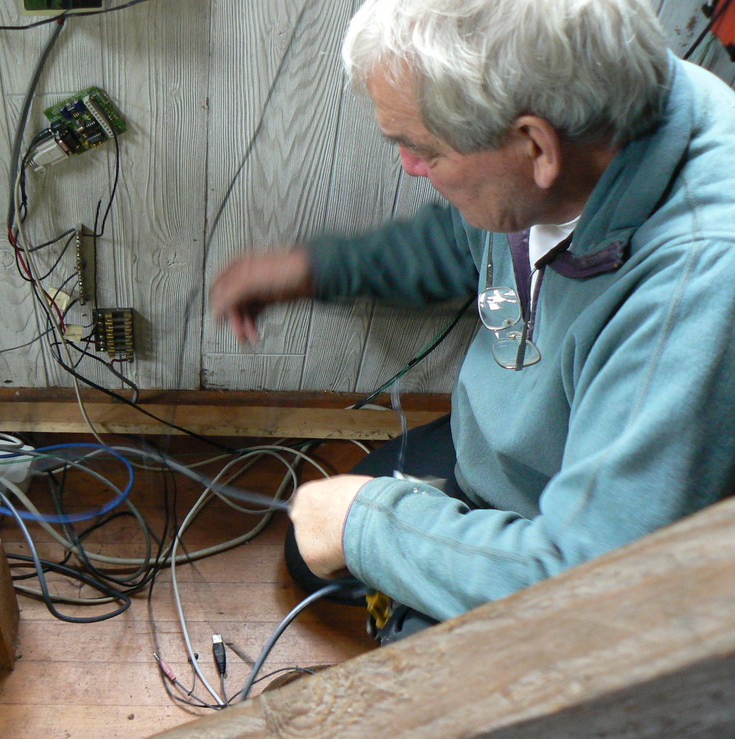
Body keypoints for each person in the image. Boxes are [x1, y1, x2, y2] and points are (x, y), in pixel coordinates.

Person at [210, 0, 735, 644]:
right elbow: (470, 241)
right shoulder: (585, 132)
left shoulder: (698, 284)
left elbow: (599, 585)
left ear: (536, 146)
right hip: (511, 462)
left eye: (423, 149)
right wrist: (316, 270)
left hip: (583, 561)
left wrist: (366, 525)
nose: (409, 166)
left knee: (411, 651)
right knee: (310, 546)